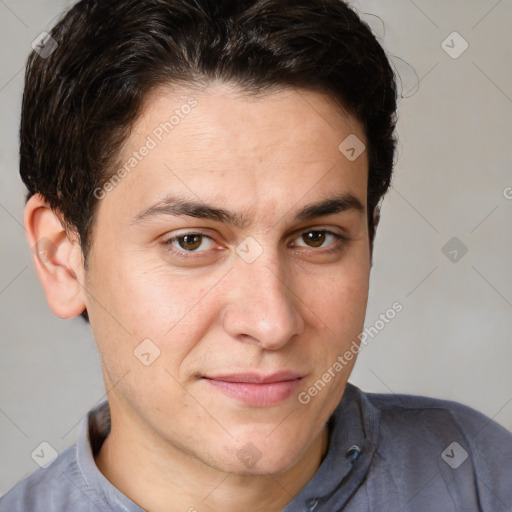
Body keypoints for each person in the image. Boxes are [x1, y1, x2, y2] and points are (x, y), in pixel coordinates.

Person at [1, 0, 511, 511]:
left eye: (317, 238)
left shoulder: (479, 480)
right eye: (191, 241)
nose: (272, 322)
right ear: (62, 258)